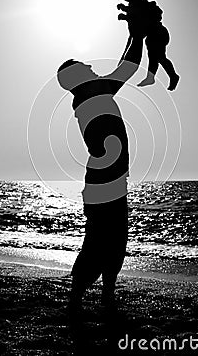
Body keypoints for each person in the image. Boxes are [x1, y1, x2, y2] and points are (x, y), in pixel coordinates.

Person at [57, 21, 145, 318]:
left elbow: (125, 66)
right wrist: (136, 33)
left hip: (108, 180)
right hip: (103, 182)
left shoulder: (90, 94)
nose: (95, 71)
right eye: (88, 69)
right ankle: (79, 298)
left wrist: (136, 33)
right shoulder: (91, 95)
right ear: (80, 78)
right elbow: (128, 67)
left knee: (112, 240)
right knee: (102, 242)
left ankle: (102, 295)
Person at [117, 0, 180, 90]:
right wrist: (125, 13)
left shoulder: (143, 5)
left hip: (158, 33)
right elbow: (135, 16)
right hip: (152, 35)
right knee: (154, 56)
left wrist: (125, 12)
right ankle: (151, 77)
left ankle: (171, 75)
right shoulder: (135, 6)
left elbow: (140, 14)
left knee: (158, 56)